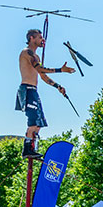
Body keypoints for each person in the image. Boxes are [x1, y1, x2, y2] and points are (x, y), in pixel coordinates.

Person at [17, 28, 74, 159]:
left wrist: (58, 86)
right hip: (27, 89)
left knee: (39, 122)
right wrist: (61, 70)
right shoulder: (27, 53)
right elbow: (40, 68)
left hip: (34, 90)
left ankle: (33, 147)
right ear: (32, 38)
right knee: (33, 121)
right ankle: (27, 148)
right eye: (39, 37)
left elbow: (43, 76)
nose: (42, 40)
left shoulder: (36, 56)